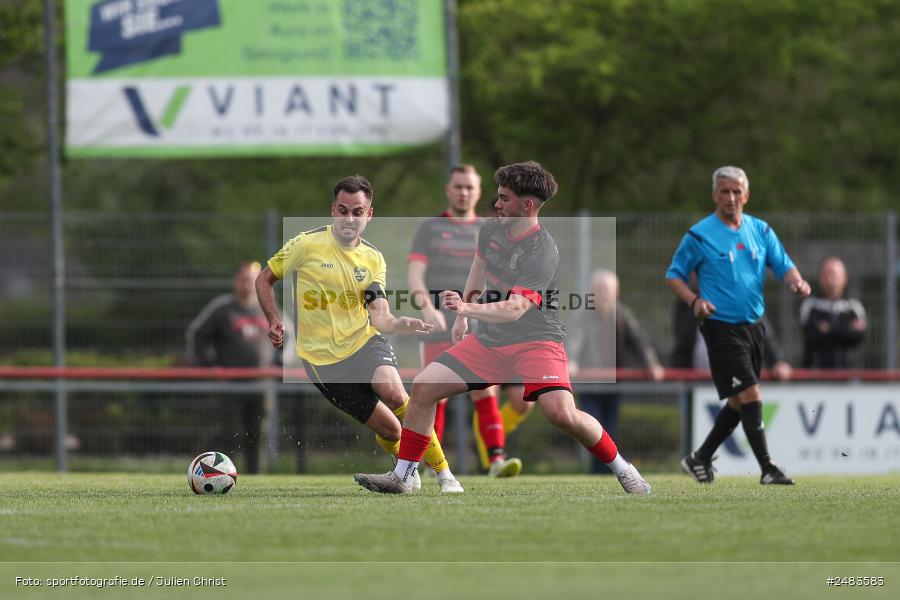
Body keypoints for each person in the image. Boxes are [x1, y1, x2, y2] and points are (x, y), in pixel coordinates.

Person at [354, 161, 651, 495]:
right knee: (424, 386)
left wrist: (467, 308)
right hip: (491, 342)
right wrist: (464, 316)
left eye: (504, 198)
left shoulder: (543, 250)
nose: (496, 204)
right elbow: (478, 269)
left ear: (526, 205)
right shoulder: (492, 229)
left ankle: (623, 468)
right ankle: (404, 476)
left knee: (561, 415)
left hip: (537, 343)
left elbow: (516, 309)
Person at [255, 175, 463, 493]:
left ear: (369, 215)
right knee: (392, 430)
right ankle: (405, 471)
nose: (349, 219)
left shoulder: (372, 258)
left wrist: (397, 323)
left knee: (397, 393)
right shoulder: (305, 244)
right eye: (343, 210)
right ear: (333, 211)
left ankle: (444, 474)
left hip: (365, 343)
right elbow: (264, 279)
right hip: (322, 361)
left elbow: (378, 313)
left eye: (357, 211)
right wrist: (272, 320)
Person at [666, 165, 811, 486]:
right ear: (714, 195)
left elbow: (783, 265)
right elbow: (674, 275)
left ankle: (699, 457)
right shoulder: (700, 234)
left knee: (737, 401)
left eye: (736, 192)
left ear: (746, 195)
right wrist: (694, 302)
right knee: (751, 393)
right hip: (720, 327)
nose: (730, 197)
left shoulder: (760, 230)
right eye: (724, 191)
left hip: (753, 326)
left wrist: (797, 282)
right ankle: (767, 468)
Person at [408, 164, 521, 477]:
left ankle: (496, 460)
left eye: (470, 187)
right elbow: (415, 274)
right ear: (448, 189)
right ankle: (432, 464)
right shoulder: (429, 228)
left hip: (477, 324)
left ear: (479, 191)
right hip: (439, 325)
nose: (464, 192)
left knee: (485, 391)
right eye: (458, 186)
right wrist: (425, 308)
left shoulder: (490, 229)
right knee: (434, 393)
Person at [567, 270, 665, 474]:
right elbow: (575, 339)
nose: (603, 294)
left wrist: (651, 363)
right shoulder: (583, 316)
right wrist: (572, 360)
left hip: (614, 384)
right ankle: (599, 471)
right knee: (593, 426)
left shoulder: (622, 314)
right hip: (591, 384)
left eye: (607, 290)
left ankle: (605, 470)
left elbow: (639, 341)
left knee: (610, 426)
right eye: (599, 290)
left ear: (616, 293)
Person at [185, 261, 274, 474]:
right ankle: (221, 475)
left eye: (252, 280)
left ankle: (255, 477)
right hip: (230, 386)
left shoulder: (269, 307)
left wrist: (279, 363)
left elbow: (288, 336)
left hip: (260, 385)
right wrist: (209, 365)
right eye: (243, 279)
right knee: (229, 433)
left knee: (257, 435)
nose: (247, 285)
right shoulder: (221, 308)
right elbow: (197, 335)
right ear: (235, 282)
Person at [671, 282, 794, 381]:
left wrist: (777, 361)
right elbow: (683, 346)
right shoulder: (688, 305)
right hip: (699, 386)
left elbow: (765, 336)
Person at [799, 256, 867, 369]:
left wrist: (827, 329)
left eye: (834, 274)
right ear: (820, 278)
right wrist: (844, 330)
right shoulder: (810, 305)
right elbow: (812, 336)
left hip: (849, 379)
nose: (830, 279)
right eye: (826, 274)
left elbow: (856, 338)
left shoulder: (854, 307)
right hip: (815, 379)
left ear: (844, 278)